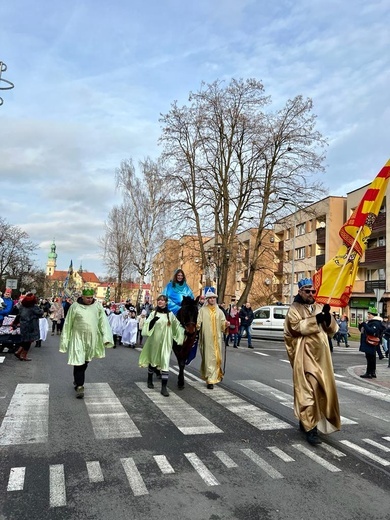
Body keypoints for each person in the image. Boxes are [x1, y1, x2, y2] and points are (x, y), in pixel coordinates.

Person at [284, 278, 341, 446]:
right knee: (308, 390)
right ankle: (311, 428)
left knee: (321, 390)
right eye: (307, 291)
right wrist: (316, 320)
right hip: (304, 356)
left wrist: (327, 318)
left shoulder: (318, 307)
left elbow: (332, 330)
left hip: (322, 357)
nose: (310, 294)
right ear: (300, 291)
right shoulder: (294, 309)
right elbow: (294, 328)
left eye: (313, 291)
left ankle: (307, 420)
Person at [59, 288, 114, 399]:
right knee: (79, 362)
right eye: (87, 298)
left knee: (85, 362)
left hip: (91, 339)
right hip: (78, 338)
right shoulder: (75, 306)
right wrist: (65, 341)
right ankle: (80, 386)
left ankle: (77, 379)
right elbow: (68, 324)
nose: (90, 300)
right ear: (82, 297)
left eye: (91, 298)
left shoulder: (97, 306)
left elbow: (103, 322)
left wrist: (106, 337)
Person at [139, 294, 185, 396]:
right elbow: (146, 327)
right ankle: (149, 379)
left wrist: (184, 332)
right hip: (154, 342)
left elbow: (177, 327)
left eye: (163, 300)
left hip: (166, 343)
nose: (160, 302)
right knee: (153, 359)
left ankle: (164, 387)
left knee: (165, 362)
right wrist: (152, 322)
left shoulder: (171, 315)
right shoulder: (153, 314)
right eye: (159, 300)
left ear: (166, 302)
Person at [197, 289, 230, 389]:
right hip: (206, 339)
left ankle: (214, 377)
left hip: (217, 339)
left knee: (216, 358)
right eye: (210, 298)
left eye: (213, 298)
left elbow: (222, 323)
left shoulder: (219, 311)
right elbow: (198, 323)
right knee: (208, 358)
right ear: (207, 299)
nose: (212, 299)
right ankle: (209, 379)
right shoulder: (202, 311)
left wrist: (226, 325)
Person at [13, 293, 44, 361]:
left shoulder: (22, 306)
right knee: (29, 340)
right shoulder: (34, 307)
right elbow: (40, 313)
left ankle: (19, 352)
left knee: (25, 340)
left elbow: (19, 314)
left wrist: (15, 323)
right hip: (31, 325)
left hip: (23, 324)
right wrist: (42, 310)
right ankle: (22, 354)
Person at [358, 307, 386, 379]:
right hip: (369, 343)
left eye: (369, 314)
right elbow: (363, 330)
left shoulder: (375, 323)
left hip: (370, 343)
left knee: (370, 358)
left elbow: (371, 331)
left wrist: (364, 324)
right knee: (371, 358)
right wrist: (361, 325)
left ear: (373, 315)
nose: (368, 316)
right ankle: (372, 372)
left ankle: (369, 373)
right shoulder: (371, 322)